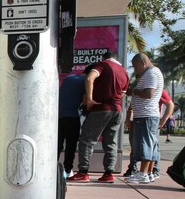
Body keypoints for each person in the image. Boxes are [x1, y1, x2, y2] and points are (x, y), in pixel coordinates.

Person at [67, 52, 128, 183]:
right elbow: (122, 93)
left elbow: (90, 78)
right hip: (117, 110)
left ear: (104, 58)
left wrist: (89, 99)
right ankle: (108, 173)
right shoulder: (124, 72)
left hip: (101, 108)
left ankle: (83, 172)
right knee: (110, 142)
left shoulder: (103, 65)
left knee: (87, 139)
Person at [125, 52, 164, 184]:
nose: (135, 70)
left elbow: (148, 94)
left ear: (143, 63)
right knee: (150, 144)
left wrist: (133, 91)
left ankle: (143, 174)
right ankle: (148, 173)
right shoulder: (152, 73)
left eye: (136, 67)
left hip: (146, 115)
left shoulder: (151, 74)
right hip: (147, 115)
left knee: (145, 144)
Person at [57, 72, 86, 177]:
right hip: (73, 117)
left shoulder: (69, 78)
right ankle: (67, 170)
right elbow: (85, 101)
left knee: (58, 145)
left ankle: (52, 167)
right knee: (70, 146)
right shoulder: (85, 82)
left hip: (59, 116)